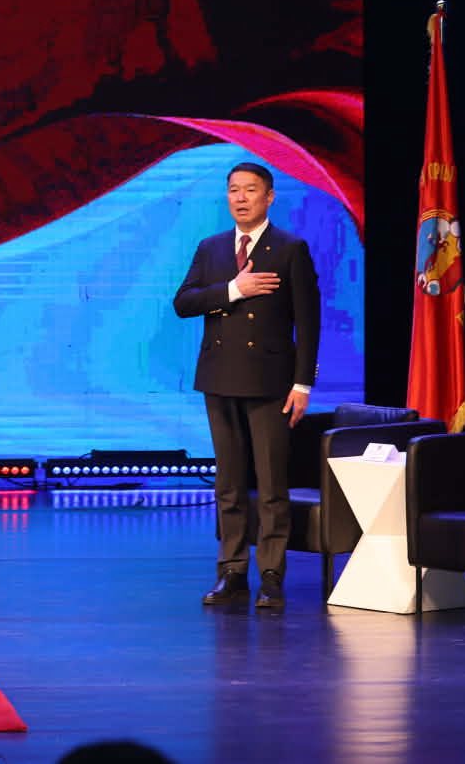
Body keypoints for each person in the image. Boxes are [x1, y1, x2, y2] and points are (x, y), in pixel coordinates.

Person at [172, 161, 319, 610]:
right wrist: (234, 289)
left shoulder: (290, 248)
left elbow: (308, 322)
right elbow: (183, 303)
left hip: (271, 382)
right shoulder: (211, 248)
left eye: (250, 190)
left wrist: (302, 384)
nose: (240, 198)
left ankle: (271, 575)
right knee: (229, 483)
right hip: (220, 377)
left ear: (269, 197)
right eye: (233, 189)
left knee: (272, 484)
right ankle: (232, 571)